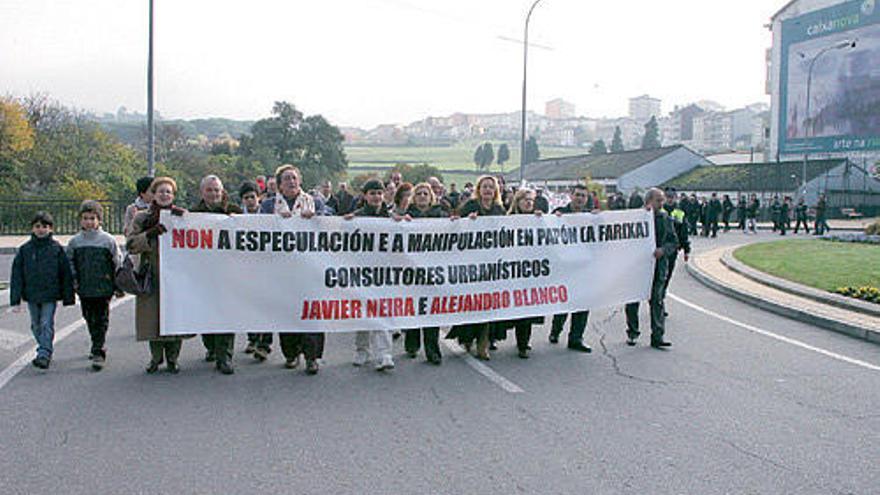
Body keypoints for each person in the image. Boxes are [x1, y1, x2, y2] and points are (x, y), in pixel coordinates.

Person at [259, 164, 323, 375]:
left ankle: (312, 357)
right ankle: (291, 353)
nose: (291, 182)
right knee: (287, 312)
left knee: (312, 312)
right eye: (287, 178)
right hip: (281, 270)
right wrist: (276, 223)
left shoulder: (316, 203)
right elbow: (258, 229)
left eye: (294, 178)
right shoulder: (269, 205)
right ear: (279, 184)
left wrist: (314, 218)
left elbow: (330, 225)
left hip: (309, 269)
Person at [126, 177, 186, 374]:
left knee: (175, 317)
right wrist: (150, 234)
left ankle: (173, 358)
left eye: (168, 192)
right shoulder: (142, 217)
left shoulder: (182, 217)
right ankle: (155, 357)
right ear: (153, 194)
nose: (164, 195)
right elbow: (131, 244)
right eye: (160, 191)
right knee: (153, 318)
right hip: (152, 272)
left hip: (176, 274)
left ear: (173, 195)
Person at [445, 175, 506, 360]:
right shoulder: (470, 207)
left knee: (489, 305)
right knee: (473, 304)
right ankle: (467, 337)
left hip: (492, 265)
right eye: (484, 187)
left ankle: (483, 343)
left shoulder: (499, 209)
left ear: (495, 191)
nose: (487, 190)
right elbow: (455, 228)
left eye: (491, 187)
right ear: (478, 189)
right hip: (472, 264)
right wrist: (467, 222)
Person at [190, 175, 243, 375]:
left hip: (229, 273)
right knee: (206, 315)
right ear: (202, 192)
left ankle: (225, 357)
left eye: (217, 190)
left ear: (223, 192)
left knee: (227, 315)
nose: (214, 194)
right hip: (203, 274)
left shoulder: (234, 212)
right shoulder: (193, 214)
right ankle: (211, 347)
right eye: (210, 190)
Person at [10, 212, 76, 369]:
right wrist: (15, 300)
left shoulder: (56, 249)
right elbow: (17, 275)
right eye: (37, 226)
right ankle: (44, 347)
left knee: (46, 323)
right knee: (36, 325)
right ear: (32, 228)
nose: (41, 230)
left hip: (50, 294)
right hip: (32, 294)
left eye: (44, 226)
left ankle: (44, 353)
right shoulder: (25, 250)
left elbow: (65, 274)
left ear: (51, 229)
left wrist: (69, 296)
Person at [66, 201, 124, 371]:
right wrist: (74, 280)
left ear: (99, 220)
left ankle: (99, 349)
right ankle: (95, 342)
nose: (89, 222)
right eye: (85, 218)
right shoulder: (75, 242)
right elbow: (69, 262)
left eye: (92, 218)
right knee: (88, 316)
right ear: (80, 220)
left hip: (104, 286)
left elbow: (117, 262)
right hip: (84, 286)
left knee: (101, 317)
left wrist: (118, 285)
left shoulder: (108, 240)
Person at [346, 179, 396, 371]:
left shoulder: (391, 217)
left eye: (379, 193)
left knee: (382, 311)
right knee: (363, 312)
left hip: (384, 272)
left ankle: (384, 353)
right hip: (362, 272)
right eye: (372, 193)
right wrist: (346, 224)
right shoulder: (357, 217)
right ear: (365, 196)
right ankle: (362, 349)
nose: (376, 196)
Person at [624, 188, 678, 349]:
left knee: (657, 300)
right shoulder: (635, 217)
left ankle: (658, 336)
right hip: (637, 267)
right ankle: (632, 332)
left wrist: (664, 250)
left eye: (662, 200)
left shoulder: (666, 218)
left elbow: (673, 242)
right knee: (633, 301)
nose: (661, 204)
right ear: (648, 201)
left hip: (658, 266)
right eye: (658, 200)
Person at [399, 182, 446, 365]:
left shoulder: (441, 216)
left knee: (432, 312)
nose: (422, 196)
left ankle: (432, 350)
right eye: (419, 193)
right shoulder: (406, 216)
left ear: (431, 197)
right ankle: (412, 344)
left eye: (426, 193)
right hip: (411, 272)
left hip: (433, 272)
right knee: (413, 309)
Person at [498, 188, 545, 358]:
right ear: (517, 202)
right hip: (511, 272)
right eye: (525, 200)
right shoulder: (508, 220)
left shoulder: (538, 220)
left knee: (527, 309)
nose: (528, 203)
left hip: (530, 273)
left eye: (531, 200)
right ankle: (493, 339)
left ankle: (523, 344)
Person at [549, 185, 595, 353]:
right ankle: (556, 330)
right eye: (577, 195)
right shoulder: (559, 212)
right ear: (571, 196)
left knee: (582, 302)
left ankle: (576, 338)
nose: (580, 199)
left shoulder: (591, 216)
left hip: (584, 267)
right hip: (565, 267)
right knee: (564, 301)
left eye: (583, 196)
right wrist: (555, 218)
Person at [664, 201, 690, 317]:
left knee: (667, 275)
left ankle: (660, 298)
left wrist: (686, 249)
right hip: (659, 249)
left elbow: (683, 232)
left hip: (673, 248)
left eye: (671, 197)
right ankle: (658, 301)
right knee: (660, 277)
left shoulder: (679, 213)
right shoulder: (657, 211)